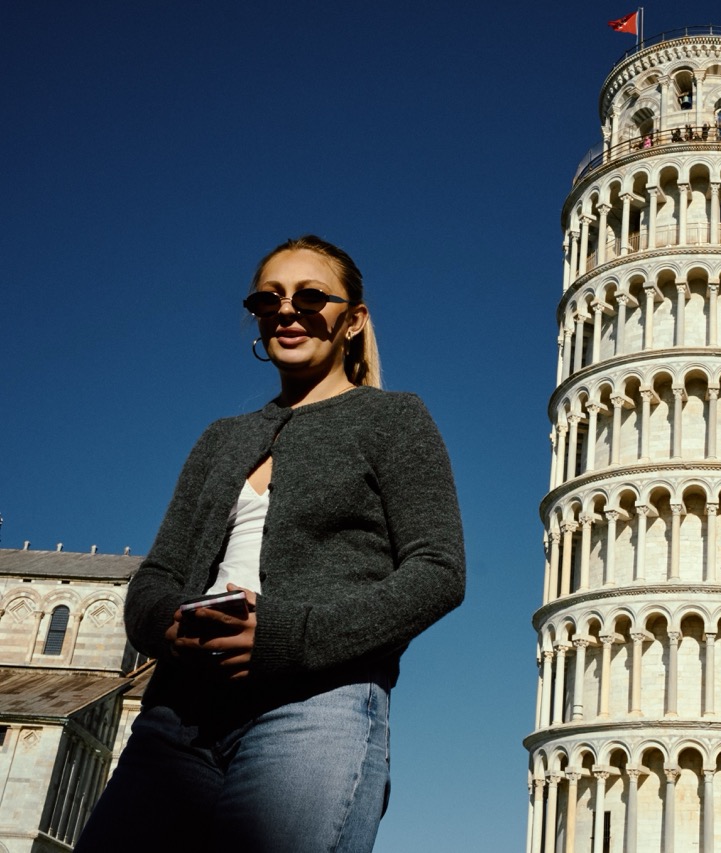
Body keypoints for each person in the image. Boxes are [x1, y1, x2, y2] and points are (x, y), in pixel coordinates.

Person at [76, 235, 466, 853]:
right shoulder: (221, 438)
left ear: (352, 320)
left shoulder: (393, 419)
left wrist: (285, 635)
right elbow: (157, 574)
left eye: (311, 297)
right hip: (179, 715)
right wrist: (168, 628)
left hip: (316, 709)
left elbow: (438, 572)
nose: (288, 311)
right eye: (269, 299)